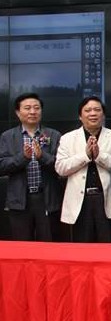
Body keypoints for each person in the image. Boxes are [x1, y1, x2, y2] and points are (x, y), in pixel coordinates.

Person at [0, 93, 63, 241]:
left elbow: (62, 167)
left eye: (36, 108)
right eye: (27, 108)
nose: (32, 112)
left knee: (49, 244)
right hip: (19, 200)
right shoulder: (7, 137)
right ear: (18, 112)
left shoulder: (53, 135)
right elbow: (2, 166)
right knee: (22, 245)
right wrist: (23, 158)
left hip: (47, 199)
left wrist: (42, 156)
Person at [55, 97, 111, 242]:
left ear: (103, 114)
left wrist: (99, 156)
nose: (93, 113)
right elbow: (60, 168)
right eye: (88, 110)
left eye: (97, 110)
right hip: (80, 201)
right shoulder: (67, 138)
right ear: (80, 116)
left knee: (108, 245)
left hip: (107, 199)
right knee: (82, 246)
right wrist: (86, 156)